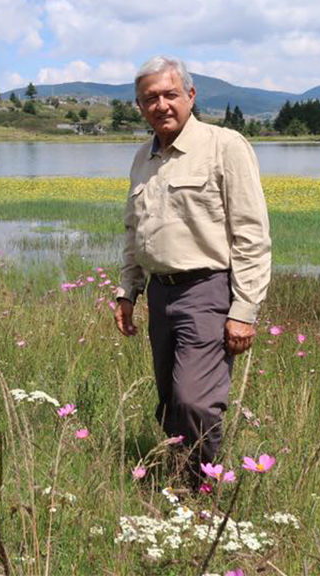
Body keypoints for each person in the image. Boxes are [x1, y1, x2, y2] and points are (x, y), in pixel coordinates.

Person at [114, 56, 271, 487]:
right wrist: (128, 291)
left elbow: (252, 234)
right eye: (150, 98)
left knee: (195, 401)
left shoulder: (225, 146)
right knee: (169, 402)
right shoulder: (143, 158)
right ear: (139, 106)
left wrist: (244, 309)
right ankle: (178, 479)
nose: (161, 105)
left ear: (190, 96)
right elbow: (135, 229)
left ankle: (201, 491)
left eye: (170, 94)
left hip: (207, 290)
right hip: (160, 294)